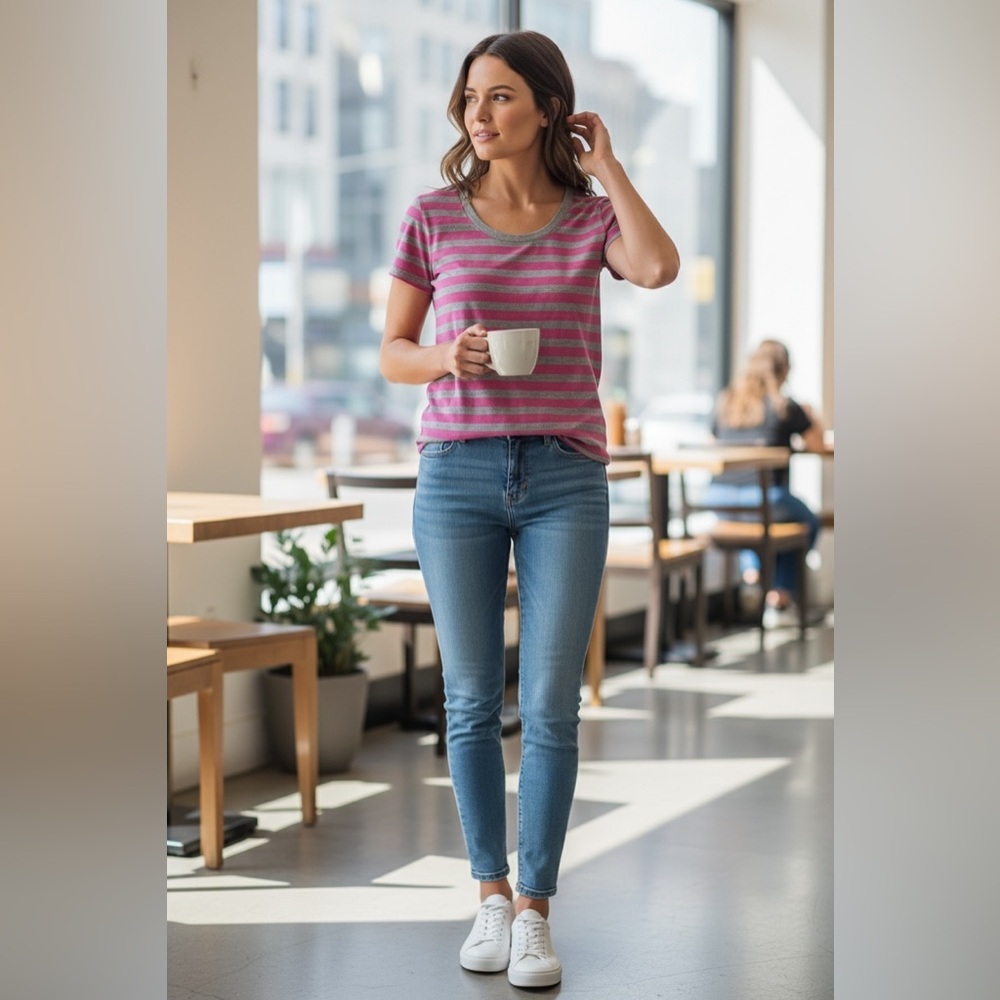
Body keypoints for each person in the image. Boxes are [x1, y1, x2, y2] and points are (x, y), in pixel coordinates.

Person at [379, 30, 678, 989]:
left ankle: (539, 912)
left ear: (549, 107)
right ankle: (490, 898)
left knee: (551, 704)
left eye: (502, 96)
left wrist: (612, 166)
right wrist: (444, 357)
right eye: (470, 97)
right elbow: (391, 349)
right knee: (469, 702)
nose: (478, 114)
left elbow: (661, 267)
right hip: (457, 475)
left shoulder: (591, 219)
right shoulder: (432, 214)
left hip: (565, 477)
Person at [703, 338, 825, 624]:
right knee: (806, 524)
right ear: (784, 371)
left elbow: (710, 443)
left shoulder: (727, 401)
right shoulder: (784, 406)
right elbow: (818, 444)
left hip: (719, 496)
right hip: (764, 497)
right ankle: (779, 597)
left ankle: (751, 573)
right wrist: (811, 415)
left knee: (756, 523)